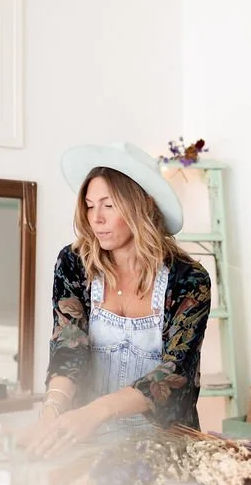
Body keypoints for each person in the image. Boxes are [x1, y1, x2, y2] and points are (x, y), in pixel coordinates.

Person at [20, 142, 212, 458]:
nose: (96, 218)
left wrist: (96, 412)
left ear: (144, 206)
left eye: (108, 206)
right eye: (89, 205)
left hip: (162, 447)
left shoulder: (188, 279)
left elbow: (175, 372)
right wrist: (52, 409)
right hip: (84, 440)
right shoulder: (74, 264)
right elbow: (69, 345)